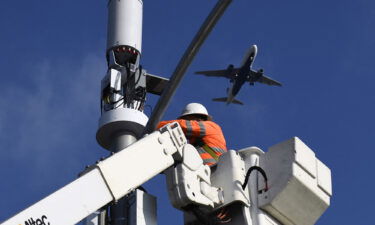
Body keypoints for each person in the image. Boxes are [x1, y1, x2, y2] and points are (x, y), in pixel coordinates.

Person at [157, 103, 227, 166]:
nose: (186, 121)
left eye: (187, 119)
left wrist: (155, 125)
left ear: (197, 118)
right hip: (207, 172)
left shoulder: (211, 126)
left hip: (212, 169)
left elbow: (182, 125)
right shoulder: (195, 142)